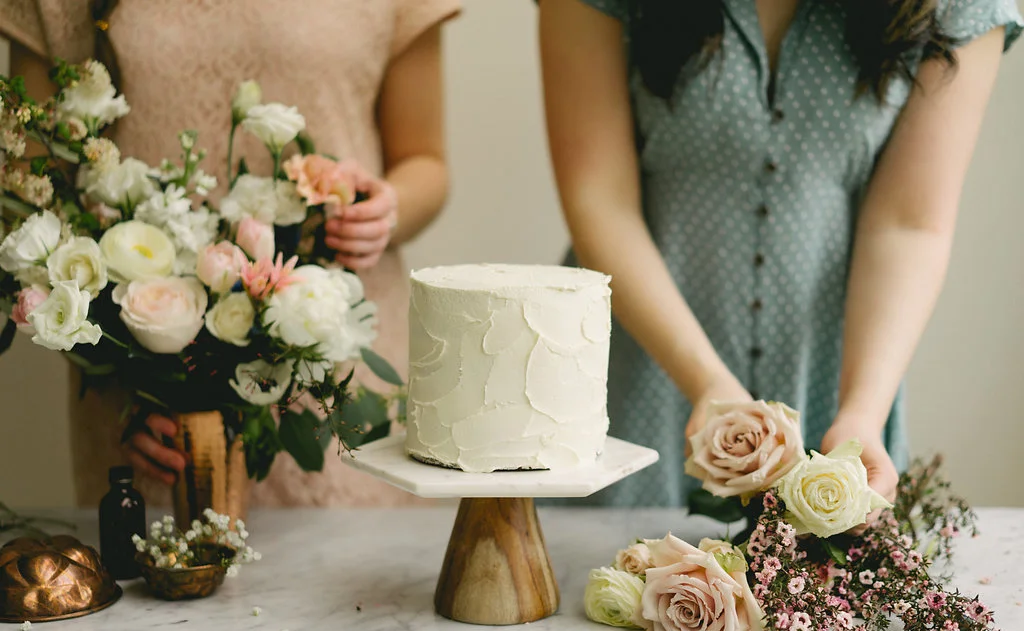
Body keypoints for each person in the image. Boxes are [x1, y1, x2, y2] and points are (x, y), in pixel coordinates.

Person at [538, 0, 1022, 507]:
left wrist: (861, 414)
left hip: (838, 376)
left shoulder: (959, 6)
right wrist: (706, 381)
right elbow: (600, 201)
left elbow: (909, 224)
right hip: (638, 371)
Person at [1, 0, 460, 506]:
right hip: (149, 390)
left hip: (334, 368)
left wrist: (384, 209)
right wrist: (119, 376)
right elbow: (33, 191)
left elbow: (424, 161)